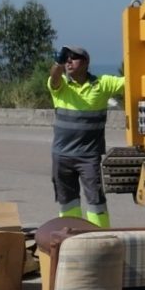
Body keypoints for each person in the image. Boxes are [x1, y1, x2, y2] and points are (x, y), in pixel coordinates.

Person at [48, 45, 126, 228]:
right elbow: (54, 77)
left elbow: (132, 80)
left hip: (88, 157)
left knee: (95, 201)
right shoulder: (61, 85)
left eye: (74, 58)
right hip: (62, 156)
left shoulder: (102, 84)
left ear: (86, 63)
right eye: (66, 58)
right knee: (67, 202)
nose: (69, 61)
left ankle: (100, 235)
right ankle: (70, 234)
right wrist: (58, 62)